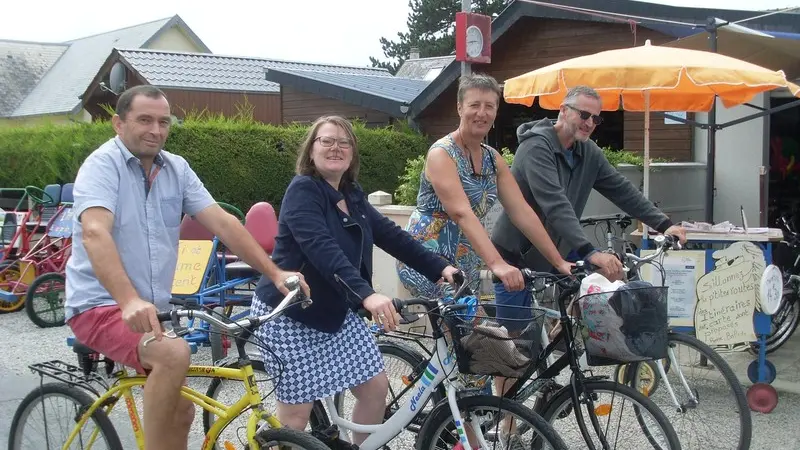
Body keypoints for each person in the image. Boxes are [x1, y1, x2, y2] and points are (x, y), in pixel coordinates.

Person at [63, 85, 308, 450]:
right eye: (145, 120)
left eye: (164, 122)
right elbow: (96, 232)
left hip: (155, 310)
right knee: (174, 352)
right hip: (101, 305)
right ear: (118, 123)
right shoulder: (102, 166)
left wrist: (275, 274)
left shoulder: (176, 168)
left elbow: (223, 223)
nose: (156, 130)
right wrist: (129, 300)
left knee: (183, 414)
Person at [250, 115, 460, 445]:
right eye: (327, 141)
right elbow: (322, 249)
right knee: (296, 417)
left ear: (352, 153)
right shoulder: (303, 191)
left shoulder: (352, 194)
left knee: (375, 388)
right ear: (311, 149)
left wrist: (440, 267)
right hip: (291, 313)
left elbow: (392, 236)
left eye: (344, 142)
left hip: (333, 310)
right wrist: (368, 295)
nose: (336, 148)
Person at [490, 84, 688, 320]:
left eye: (596, 118)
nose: (589, 123)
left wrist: (664, 224)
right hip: (517, 254)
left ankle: (567, 333)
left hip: (561, 246)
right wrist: (589, 252)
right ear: (563, 110)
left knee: (607, 287)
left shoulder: (587, 151)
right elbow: (555, 204)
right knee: (518, 342)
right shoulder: (535, 147)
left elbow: (621, 189)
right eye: (584, 115)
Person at [396, 73, 572, 303]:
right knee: (482, 334)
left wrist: (558, 261)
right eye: (474, 105)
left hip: (466, 261)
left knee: (469, 335)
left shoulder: (492, 158)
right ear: (460, 108)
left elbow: (521, 211)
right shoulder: (442, 153)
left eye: (489, 106)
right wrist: (497, 263)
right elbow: (462, 213)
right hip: (428, 258)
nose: (482, 113)